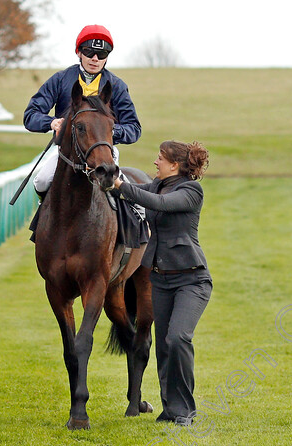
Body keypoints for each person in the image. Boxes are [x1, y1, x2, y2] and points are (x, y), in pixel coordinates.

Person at [113, 140, 211, 427]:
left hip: (191, 280)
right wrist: (108, 177)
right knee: (164, 347)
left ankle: (185, 411)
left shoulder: (191, 190)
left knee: (178, 338)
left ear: (174, 165)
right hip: (161, 279)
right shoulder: (156, 185)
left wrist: (121, 186)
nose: (155, 162)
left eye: (160, 158)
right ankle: (170, 410)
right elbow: (138, 194)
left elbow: (160, 205)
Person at [24, 24, 141, 195]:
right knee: (41, 182)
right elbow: (30, 115)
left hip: (105, 152)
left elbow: (134, 128)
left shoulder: (117, 86)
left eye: (101, 54)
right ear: (78, 52)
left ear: (106, 57)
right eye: (89, 52)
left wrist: (106, 131)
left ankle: (138, 218)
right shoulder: (60, 79)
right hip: (67, 152)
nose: (95, 58)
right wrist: (52, 123)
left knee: (128, 193)